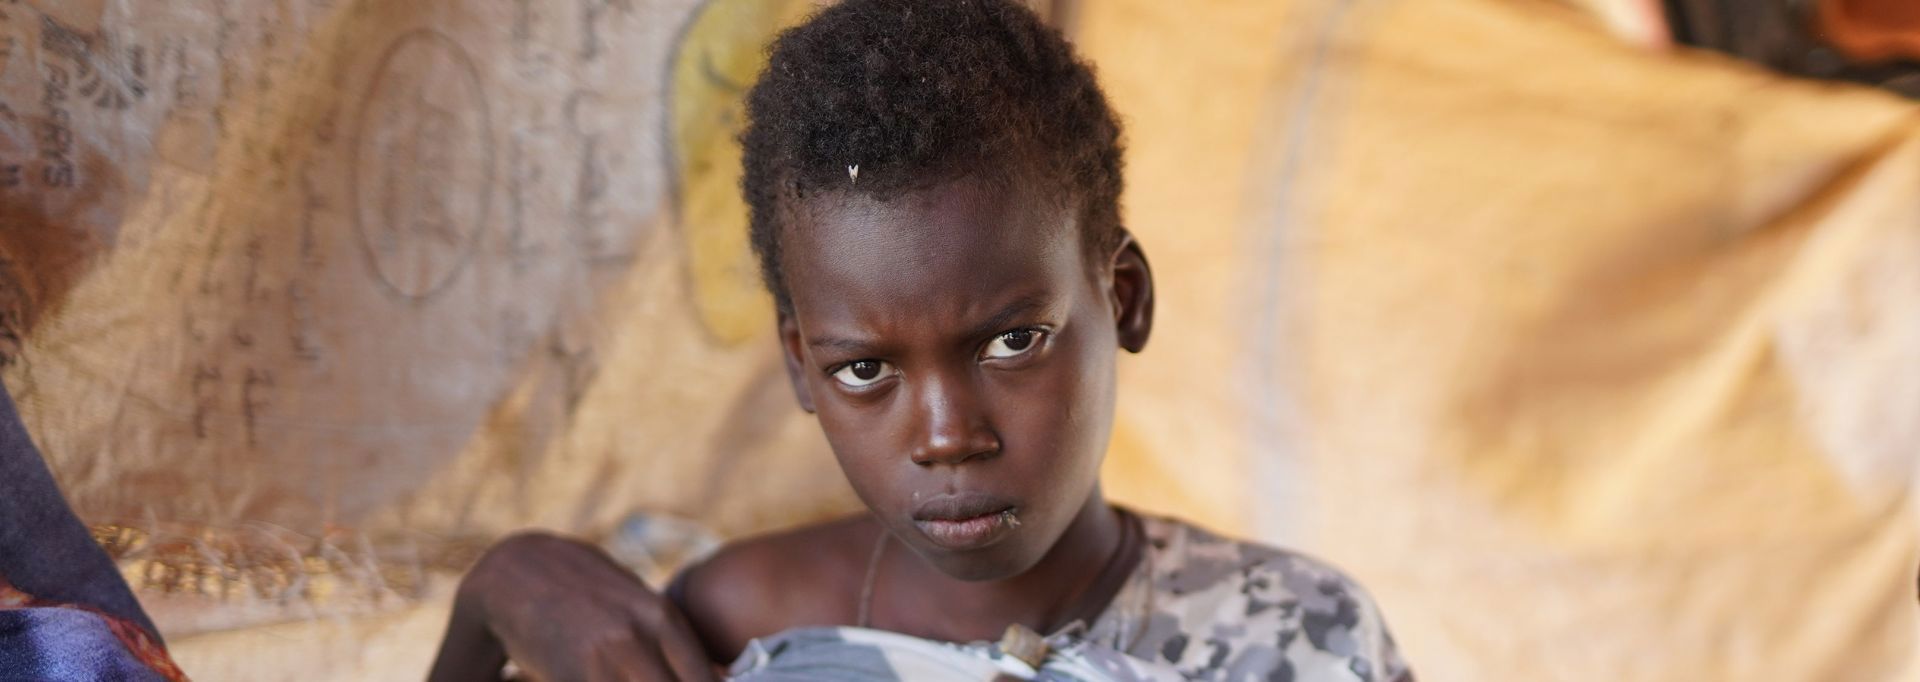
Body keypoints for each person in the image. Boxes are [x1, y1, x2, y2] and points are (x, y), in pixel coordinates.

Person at [428, 1, 1412, 680]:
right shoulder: (738, 620)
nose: (946, 435)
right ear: (798, 364)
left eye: (1013, 341)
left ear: (1123, 298)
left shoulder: (1293, 639)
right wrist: (492, 597)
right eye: (865, 368)